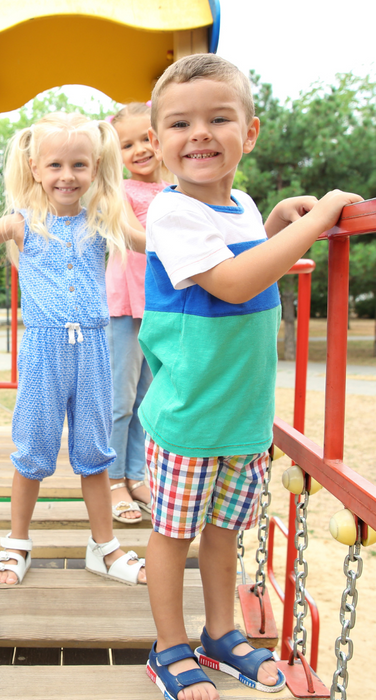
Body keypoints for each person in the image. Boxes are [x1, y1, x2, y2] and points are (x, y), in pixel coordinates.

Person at [140, 54, 362, 700]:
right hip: (189, 412)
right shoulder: (170, 210)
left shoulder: (239, 202)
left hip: (241, 413)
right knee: (173, 534)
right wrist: (320, 220)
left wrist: (267, 227)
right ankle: (169, 646)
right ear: (157, 143)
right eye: (180, 124)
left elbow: (240, 257)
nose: (199, 134)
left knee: (223, 531)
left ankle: (219, 631)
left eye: (219, 118)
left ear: (251, 131)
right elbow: (234, 284)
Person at [0, 112, 148, 587]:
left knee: (95, 453)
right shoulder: (22, 224)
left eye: (79, 165)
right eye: (55, 165)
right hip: (43, 351)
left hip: (95, 349)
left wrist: (226, 243)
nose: (67, 176)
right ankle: (17, 541)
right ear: (35, 167)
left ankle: (105, 548)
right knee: (33, 450)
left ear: (96, 165)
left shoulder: (101, 220)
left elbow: (152, 244)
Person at [106, 102, 170, 524]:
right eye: (126, 144)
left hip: (161, 304)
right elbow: (132, 235)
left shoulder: (175, 190)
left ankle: (135, 471)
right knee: (120, 398)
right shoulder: (121, 191)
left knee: (149, 397)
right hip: (125, 303)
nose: (139, 149)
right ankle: (112, 480)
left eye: (147, 138)